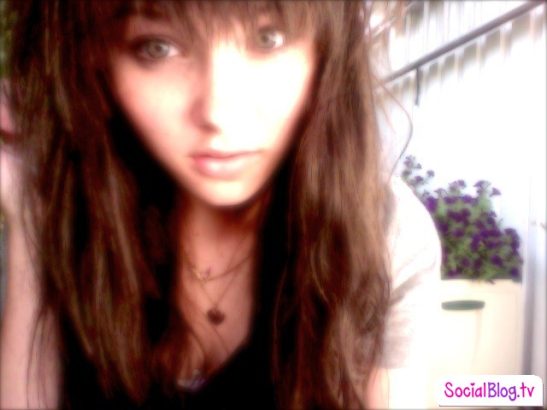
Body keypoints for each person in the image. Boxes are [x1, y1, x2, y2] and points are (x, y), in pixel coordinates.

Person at [0, 1, 441, 409]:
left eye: (268, 38)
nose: (218, 111)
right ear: (93, 64)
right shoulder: (73, 211)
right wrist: (30, 215)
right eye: (158, 47)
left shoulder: (383, 231)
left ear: (328, 51)